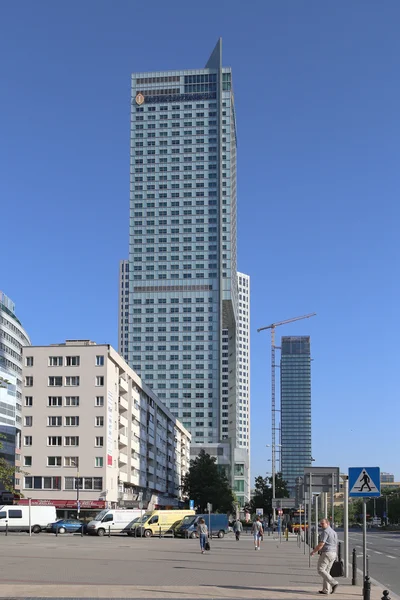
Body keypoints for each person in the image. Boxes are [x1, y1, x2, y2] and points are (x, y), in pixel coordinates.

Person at [310, 518, 339, 595]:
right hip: (333, 553)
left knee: (320, 570)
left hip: (327, 553)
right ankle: (326, 590)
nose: (321, 525)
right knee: (327, 571)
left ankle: (333, 583)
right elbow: (336, 544)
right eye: (321, 524)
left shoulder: (325, 532)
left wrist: (314, 551)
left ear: (327, 523)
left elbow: (321, 544)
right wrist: (336, 554)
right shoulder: (334, 532)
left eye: (323, 523)